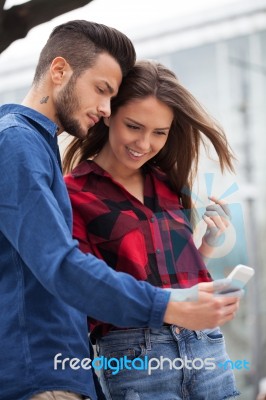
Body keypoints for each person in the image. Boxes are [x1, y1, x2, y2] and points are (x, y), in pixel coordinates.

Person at [0, 20, 240, 400]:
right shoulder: (18, 142)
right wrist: (169, 306)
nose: (103, 107)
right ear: (59, 70)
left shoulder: (37, 146)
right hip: (71, 368)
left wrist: (203, 253)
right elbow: (65, 269)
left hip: (187, 354)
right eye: (102, 91)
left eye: (159, 133)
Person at [64, 60, 241, 400]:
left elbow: (164, 270)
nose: (144, 143)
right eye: (134, 126)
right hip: (136, 355)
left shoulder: (166, 183)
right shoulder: (73, 193)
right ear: (108, 114)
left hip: (206, 346)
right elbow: (86, 289)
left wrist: (205, 245)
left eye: (159, 132)